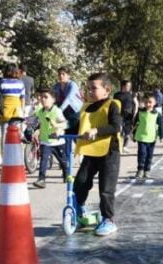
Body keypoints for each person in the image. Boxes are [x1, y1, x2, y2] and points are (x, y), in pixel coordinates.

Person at [74, 72, 122, 236]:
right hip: (91, 151)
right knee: (80, 182)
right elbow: (77, 127)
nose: (89, 92)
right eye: (88, 88)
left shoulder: (112, 104)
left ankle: (108, 220)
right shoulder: (86, 107)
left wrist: (97, 130)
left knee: (106, 188)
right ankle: (80, 210)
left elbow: (116, 127)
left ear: (106, 90)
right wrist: (59, 131)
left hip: (110, 151)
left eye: (94, 88)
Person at [32, 89, 68, 189]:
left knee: (63, 161)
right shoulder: (40, 112)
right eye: (42, 97)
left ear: (53, 100)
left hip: (57, 141)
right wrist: (37, 130)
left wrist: (57, 126)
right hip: (45, 141)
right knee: (43, 160)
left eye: (46, 97)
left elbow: (65, 124)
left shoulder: (57, 111)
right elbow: (40, 123)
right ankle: (41, 180)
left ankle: (66, 174)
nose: (43, 99)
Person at [0, 63, 25, 156]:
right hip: (17, 110)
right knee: (17, 133)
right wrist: (23, 110)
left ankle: (4, 156)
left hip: (5, 109)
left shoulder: (2, 82)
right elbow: (22, 98)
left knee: (4, 134)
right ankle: (18, 155)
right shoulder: (20, 83)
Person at [133, 95, 162, 180]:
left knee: (149, 155)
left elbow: (160, 125)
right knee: (142, 153)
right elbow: (135, 124)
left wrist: (161, 135)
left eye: (150, 102)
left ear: (154, 103)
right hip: (141, 136)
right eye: (146, 102)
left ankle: (147, 170)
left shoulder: (157, 114)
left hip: (152, 137)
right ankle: (140, 170)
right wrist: (133, 135)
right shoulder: (140, 112)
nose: (148, 104)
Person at [54, 67, 83, 135]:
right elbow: (52, 97)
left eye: (63, 74)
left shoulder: (72, 85)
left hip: (75, 113)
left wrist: (59, 110)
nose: (61, 76)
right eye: (59, 74)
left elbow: (69, 99)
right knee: (65, 134)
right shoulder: (56, 86)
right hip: (64, 113)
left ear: (68, 76)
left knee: (75, 135)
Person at [114, 80, 138, 154]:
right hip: (119, 114)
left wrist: (135, 112)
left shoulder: (132, 94)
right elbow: (114, 104)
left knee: (127, 131)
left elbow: (136, 103)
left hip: (129, 114)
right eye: (127, 86)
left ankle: (125, 146)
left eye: (130, 86)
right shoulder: (117, 94)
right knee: (119, 130)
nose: (129, 87)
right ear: (123, 86)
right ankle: (119, 146)